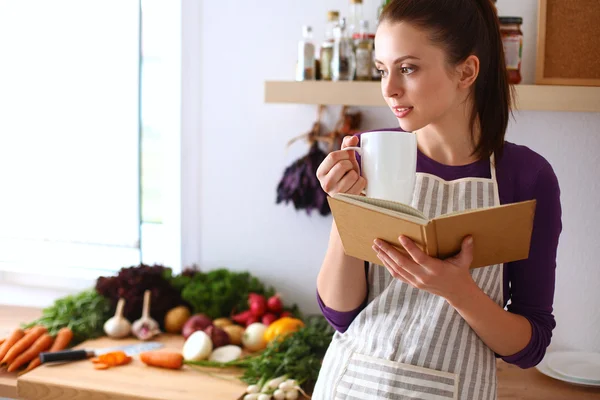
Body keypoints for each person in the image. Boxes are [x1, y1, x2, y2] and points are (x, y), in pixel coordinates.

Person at [312, 0, 562, 399]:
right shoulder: (372, 156)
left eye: (407, 68)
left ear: (466, 71)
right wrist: (346, 208)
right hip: (351, 385)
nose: (389, 88)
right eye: (382, 70)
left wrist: (458, 290)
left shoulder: (526, 177)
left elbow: (529, 346)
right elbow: (340, 314)